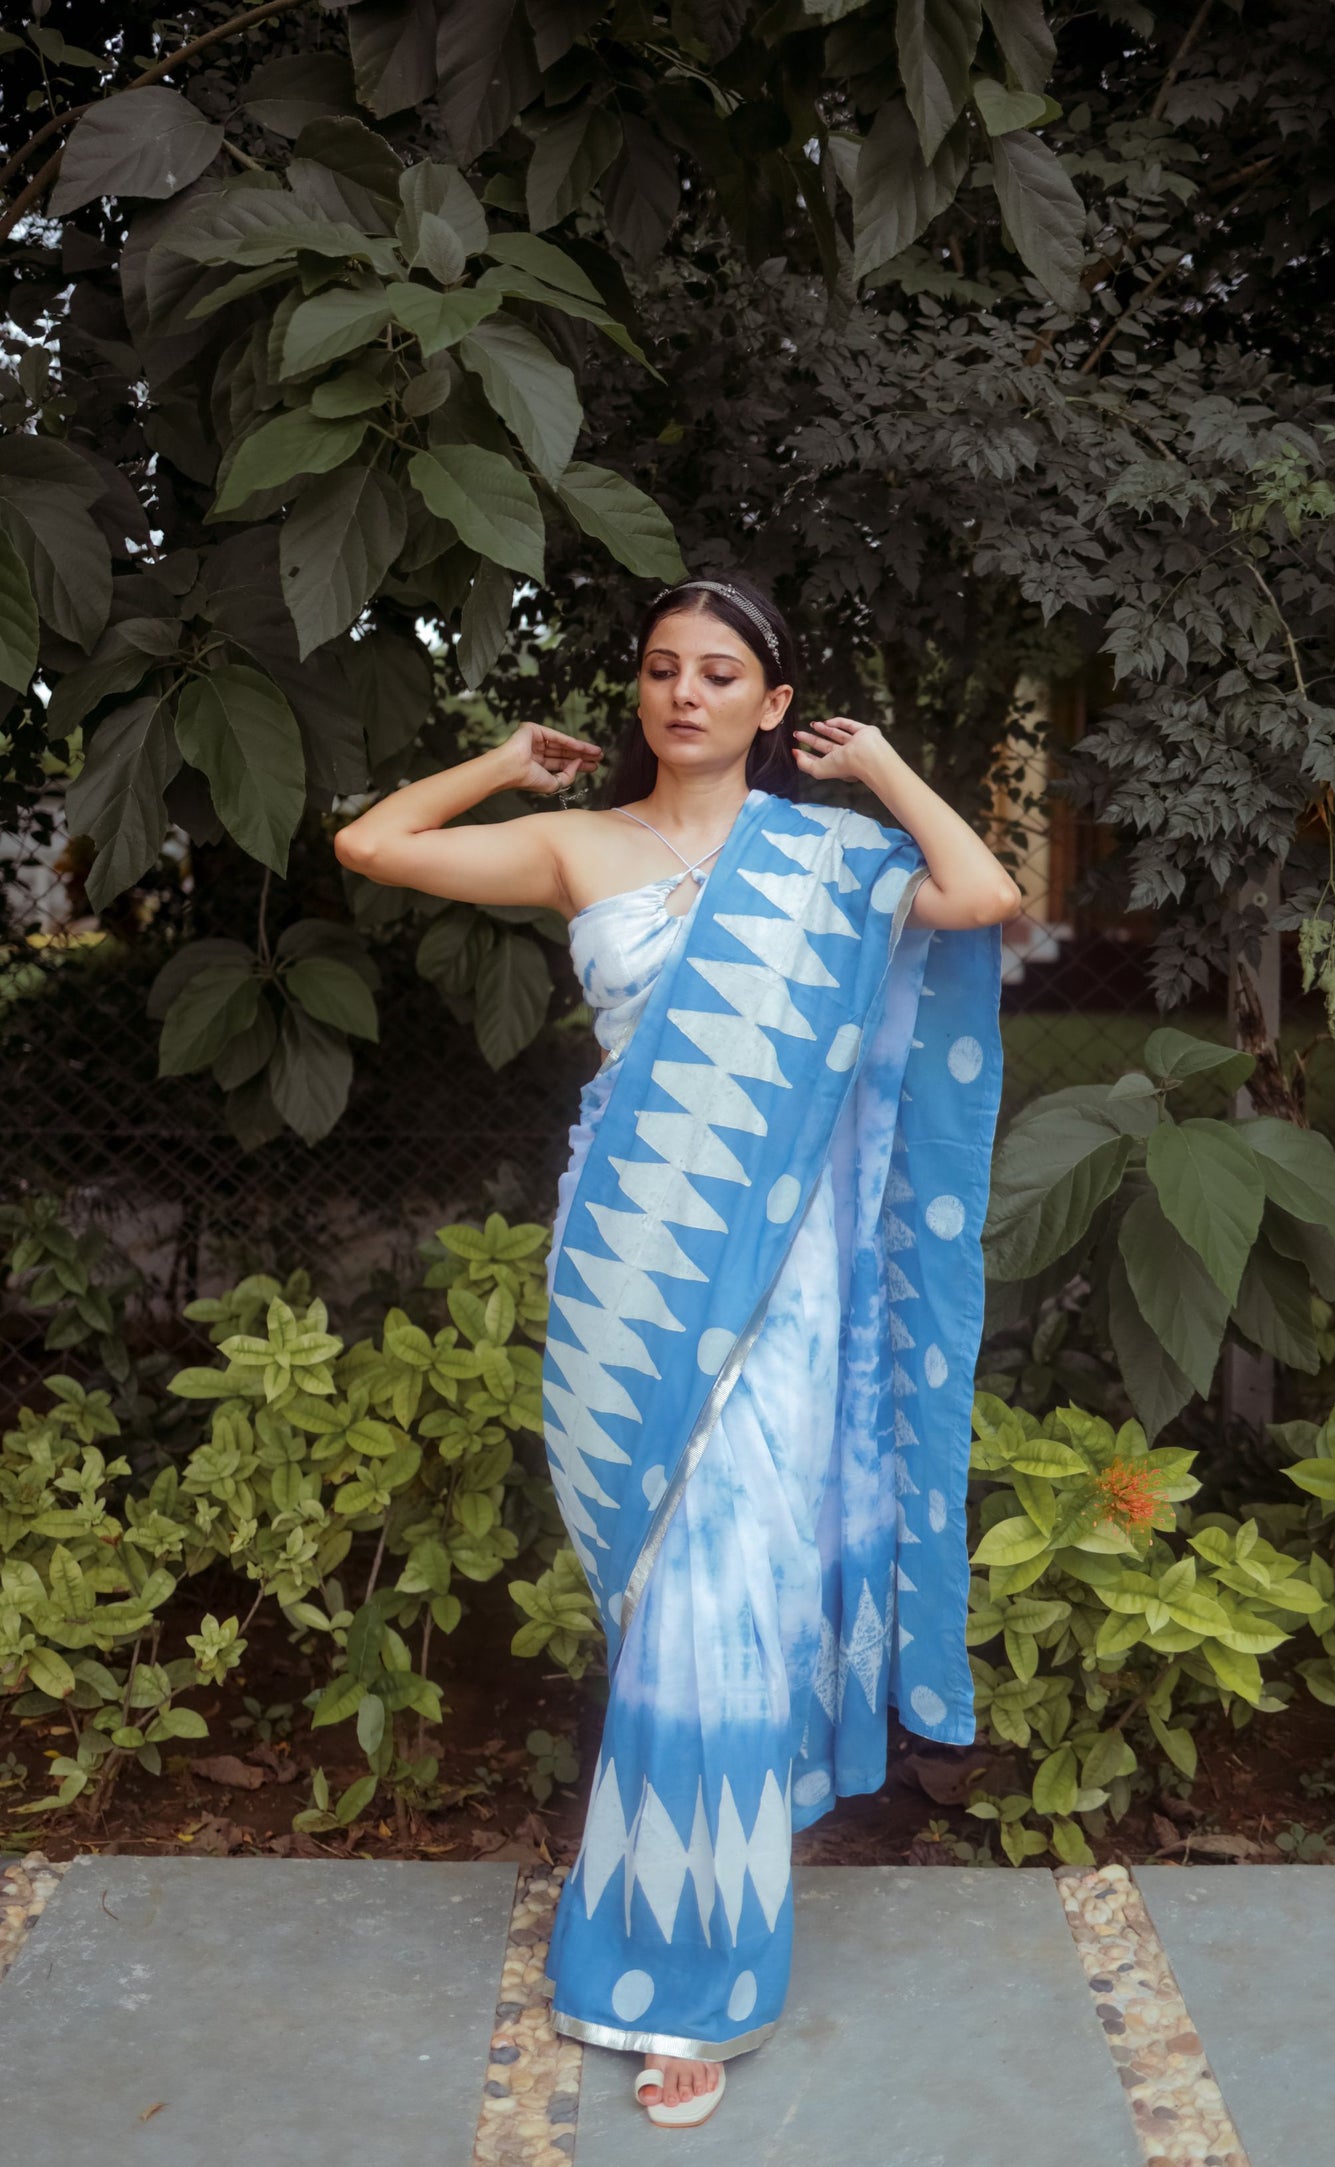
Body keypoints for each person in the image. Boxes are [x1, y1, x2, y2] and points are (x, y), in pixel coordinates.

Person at [335, 573, 1019, 2127]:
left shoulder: (834, 859)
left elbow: (978, 901)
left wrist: (887, 772)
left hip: (776, 1283)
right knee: (662, 1604)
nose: (685, 694)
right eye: (660, 668)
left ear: (775, 705)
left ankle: (689, 1972)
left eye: (722, 673)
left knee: (719, 1599)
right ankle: (680, 1892)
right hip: (622, 1270)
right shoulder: (581, 846)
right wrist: (508, 761)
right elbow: (372, 846)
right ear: (636, 693)